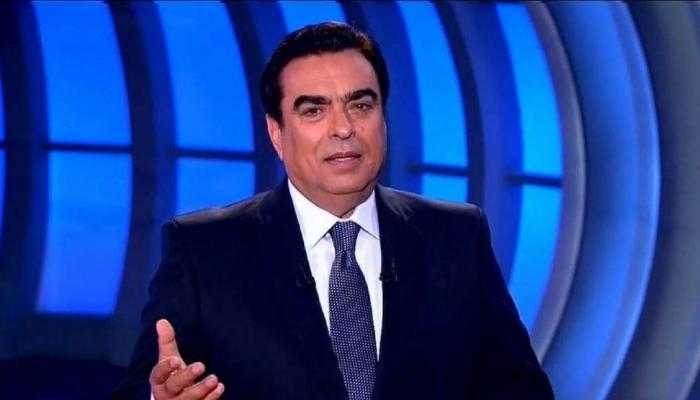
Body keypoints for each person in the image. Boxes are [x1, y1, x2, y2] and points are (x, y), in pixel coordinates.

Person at [113, 22, 553, 400]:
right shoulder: (205, 251)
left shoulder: (455, 236)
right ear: (276, 133)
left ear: (383, 118)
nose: (343, 128)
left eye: (361, 105)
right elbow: (139, 387)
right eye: (314, 110)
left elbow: (521, 390)